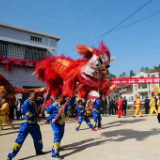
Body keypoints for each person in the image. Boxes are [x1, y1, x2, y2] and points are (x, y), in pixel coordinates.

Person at [7, 90, 46, 160]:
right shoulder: (26, 103)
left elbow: (43, 100)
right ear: (30, 95)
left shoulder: (34, 101)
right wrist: (38, 115)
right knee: (19, 140)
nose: (36, 95)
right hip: (26, 125)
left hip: (34, 124)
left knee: (38, 138)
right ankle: (10, 156)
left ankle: (38, 151)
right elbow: (29, 114)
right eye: (34, 94)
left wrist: (48, 95)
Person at [45, 95, 68, 160]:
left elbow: (64, 113)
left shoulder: (62, 105)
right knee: (57, 137)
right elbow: (46, 113)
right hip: (56, 124)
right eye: (63, 98)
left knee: (60, 136)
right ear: (59, 98)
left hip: (62, 123)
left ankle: (57, 147)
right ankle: (54, 154)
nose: (64, 99)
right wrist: (51, 118)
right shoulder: (53, 105)